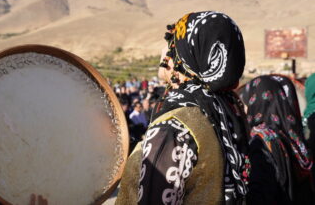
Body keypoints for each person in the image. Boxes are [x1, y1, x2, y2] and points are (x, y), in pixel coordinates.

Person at [116, 11, 249, 205]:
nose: (164, 51)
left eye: (172, 42)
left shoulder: (174, 127)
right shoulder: (227, 111)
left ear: (184, 58)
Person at [242, 75, 314, 204]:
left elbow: (260, 193)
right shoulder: (294, 139)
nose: (245, 108)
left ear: (256, 101)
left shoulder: (261, 141)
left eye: (247, 102)